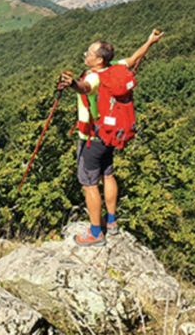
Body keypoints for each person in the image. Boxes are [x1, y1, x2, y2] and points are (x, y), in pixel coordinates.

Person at [58, 29, 163, 246]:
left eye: (89, 53)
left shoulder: (94, 77)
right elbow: (134, 58)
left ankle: (95, 233)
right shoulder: (115, 66)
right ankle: (112, 223)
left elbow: (85, 88)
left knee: (89, 185)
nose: (85, 55)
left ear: (98, 59)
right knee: (108, 175)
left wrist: (72, 85)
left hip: (92, 138)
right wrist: (149, 41)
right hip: (110, 136)